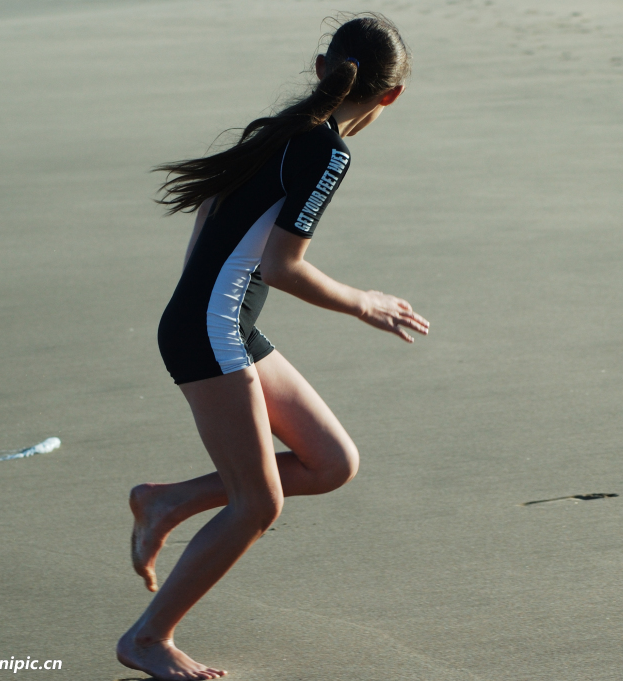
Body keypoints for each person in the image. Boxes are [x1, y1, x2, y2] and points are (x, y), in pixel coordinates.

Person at [115, 13, 428, 681]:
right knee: (257, 504)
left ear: (322, 68)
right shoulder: (326, 151)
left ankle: (166, 500)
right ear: (392, 96)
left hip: (217, 321)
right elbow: (286, 265)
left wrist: (206, 309)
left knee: (331, 461)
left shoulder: (279, 132)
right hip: (212, 328)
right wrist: (363, 300)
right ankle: (148, 637)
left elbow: (210, 226)